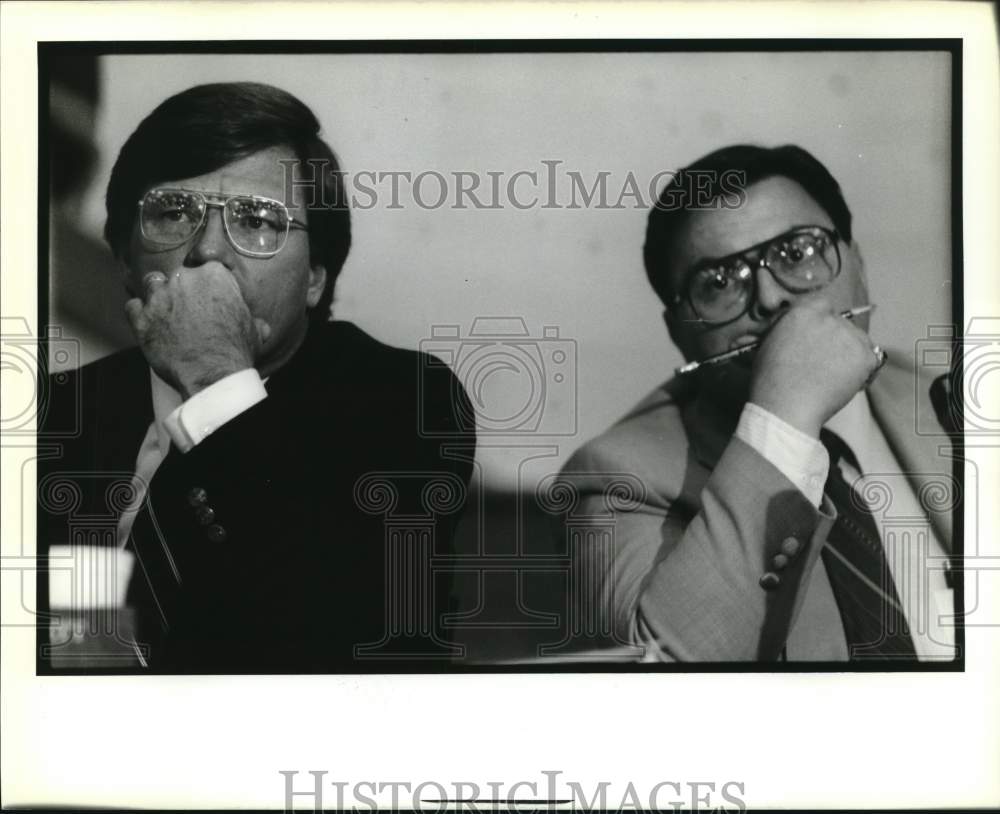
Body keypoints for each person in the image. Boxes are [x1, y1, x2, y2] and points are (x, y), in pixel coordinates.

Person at [38, 82, 475, 672]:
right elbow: (64, 650)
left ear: (315, 276)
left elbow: (350, 639)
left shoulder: (401, 400)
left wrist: (215, 380)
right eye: (173, 213)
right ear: (122, 256)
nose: (209, 249)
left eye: (259, 221)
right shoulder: (60, 413)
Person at [556, 144, 957, 662]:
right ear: (679, 332)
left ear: (857, 263)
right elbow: (660, 679)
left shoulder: (951, 400)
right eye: (719, 283)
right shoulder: (616, 478)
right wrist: (784, 420)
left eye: (797, 252)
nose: (770, 299)